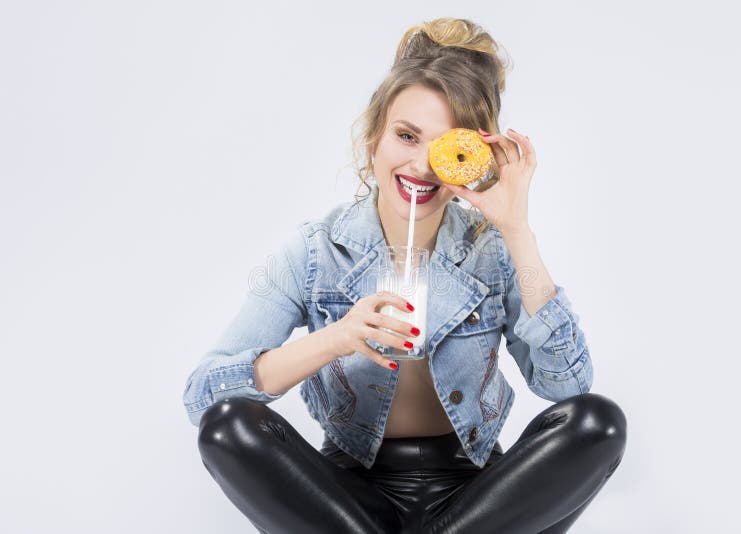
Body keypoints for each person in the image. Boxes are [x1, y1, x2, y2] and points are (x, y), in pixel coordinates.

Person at [182, 17, 627, 534]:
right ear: (375, 137)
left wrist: (517, 229)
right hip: (350, 499)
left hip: (477, 498)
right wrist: (335, 338)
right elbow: (203, 398)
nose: (420, 165)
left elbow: (567, 386)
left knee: (598, 422)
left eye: (443, 148)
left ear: (469, 159)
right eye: (406, 135)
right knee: (227, 427)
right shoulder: (313, 252)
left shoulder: (494, 251)